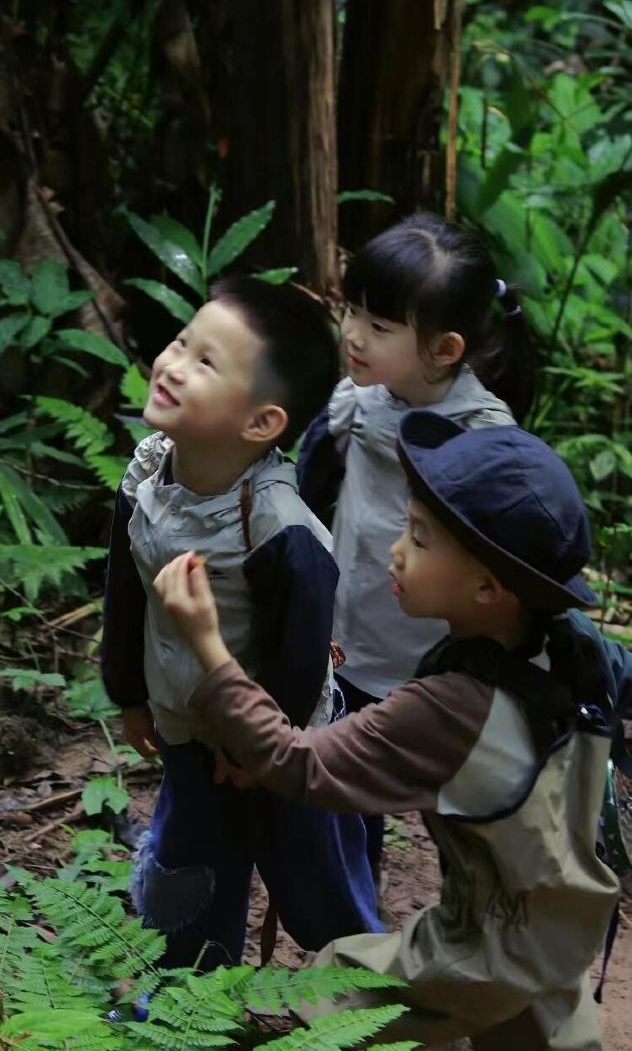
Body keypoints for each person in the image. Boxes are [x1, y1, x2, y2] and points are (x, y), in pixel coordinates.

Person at [158, 410, 631, 1050]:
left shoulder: (448, 708)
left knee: (331, 986)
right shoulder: (573, 647)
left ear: (488, 588)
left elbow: (297, 763)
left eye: (420, 539)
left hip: (485, 947)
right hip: (563, 930)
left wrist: (210, 650)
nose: (396, 551)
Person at [102, 277, 380, 971]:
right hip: (192, 728)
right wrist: (129, 693)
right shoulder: (147, 477)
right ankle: (189, 991)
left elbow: (301, 652)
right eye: (180, 343)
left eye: (206, 362)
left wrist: (260, 746)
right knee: (189, 864)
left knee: (318, 879)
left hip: (288, 747)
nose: (173, 365)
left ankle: (374, 986)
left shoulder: (280, 529)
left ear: (261, 423)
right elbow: (126, 593)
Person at [298, 212, 533, 880]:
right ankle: (354, 920)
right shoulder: (357, 401)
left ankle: (479, 922)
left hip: (444, 668)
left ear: (445, 348)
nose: (352, 334)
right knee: (347, 801)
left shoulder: (485, 438)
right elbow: (308, 494)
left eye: (379, 326)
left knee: (463, 814)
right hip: (351, 643)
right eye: (352, 311)